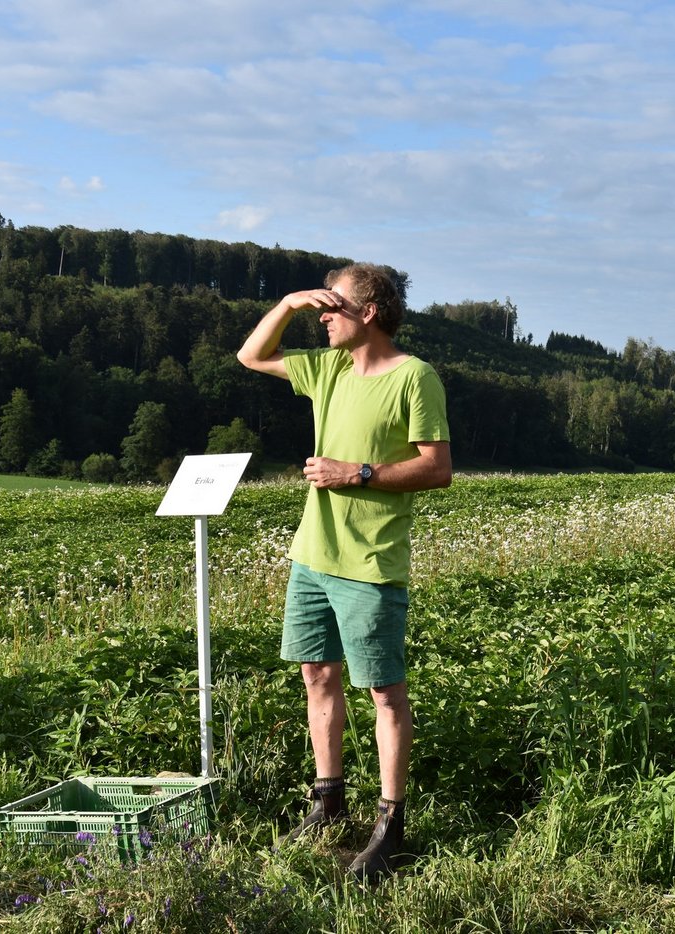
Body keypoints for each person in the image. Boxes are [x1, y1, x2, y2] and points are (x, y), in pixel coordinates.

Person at [236, 262, 452, 881]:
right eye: (320, 308)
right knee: (316, 675)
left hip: (369, 564)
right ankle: (327, 803)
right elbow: (252, 356)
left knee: (384, 692)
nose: (323, 317)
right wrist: (287, 302)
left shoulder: (416, 377)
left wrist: (353, 472)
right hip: (313, 556)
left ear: (372, 313)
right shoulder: (327, 367)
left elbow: (437, 468)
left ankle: (390, 823)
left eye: (334, 307)